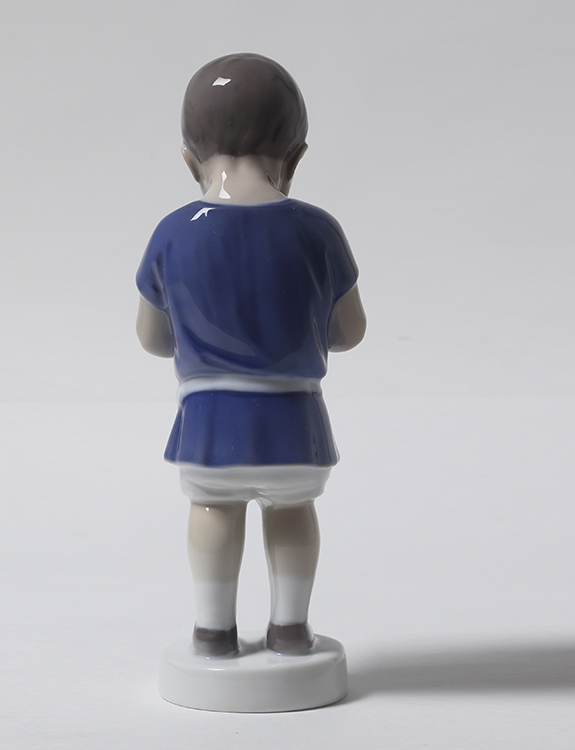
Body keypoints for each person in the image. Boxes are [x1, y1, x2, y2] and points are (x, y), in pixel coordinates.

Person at [136, 53, 366, 658]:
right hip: (296, 421)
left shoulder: (172, 232)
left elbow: (153, 339)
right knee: (292, 510)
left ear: (188, 160)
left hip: (209, 424)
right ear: (296, 158)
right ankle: (291, 629)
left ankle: (213, 632)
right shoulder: (318, 230)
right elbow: (350, 331)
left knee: (213, 509)